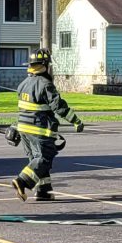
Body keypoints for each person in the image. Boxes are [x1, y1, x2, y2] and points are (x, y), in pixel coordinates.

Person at [13, 49, 82, 201]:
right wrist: (75, 120)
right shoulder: (45, 84)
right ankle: (22, 181)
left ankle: (43, 191)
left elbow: (23, 109)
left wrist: (15, 127)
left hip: (24, 129)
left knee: (36, 161)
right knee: (44, 159)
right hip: (39, 129)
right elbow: (59, 106)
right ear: (44, 65)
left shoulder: (23, 84)